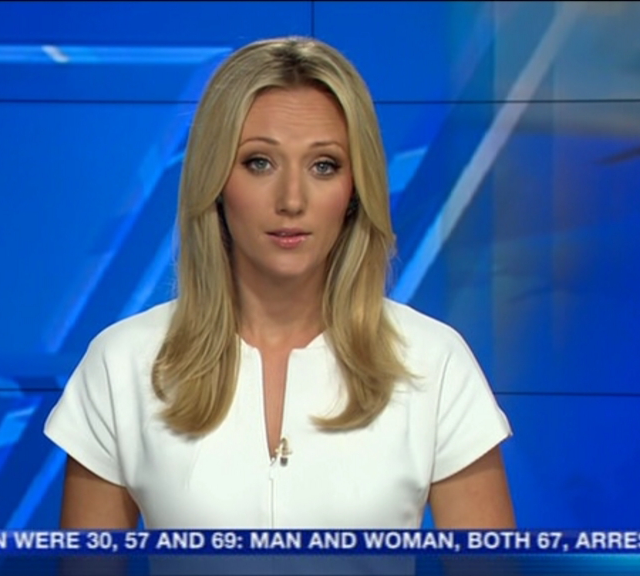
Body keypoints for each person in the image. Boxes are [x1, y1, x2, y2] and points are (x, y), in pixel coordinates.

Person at [44, 36, 515, 533]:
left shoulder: (432, 361)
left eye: (324, 166)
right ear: (215, 182)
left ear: (355, 191)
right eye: (259, 163)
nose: (292, 199)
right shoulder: (123, 362)